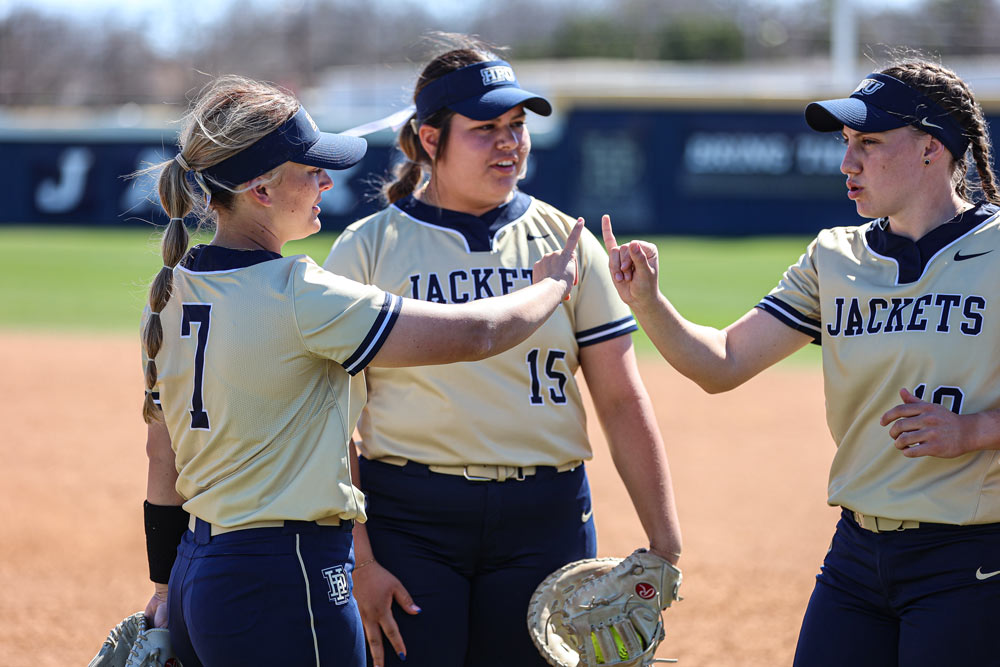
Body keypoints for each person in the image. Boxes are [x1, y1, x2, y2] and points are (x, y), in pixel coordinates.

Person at [137, 74, 583, 667]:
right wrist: (551, 285)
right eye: (310, 169)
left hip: (200, 570)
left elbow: (161, 454)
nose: (326, 180)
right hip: (286, 573)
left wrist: (167, 586)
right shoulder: (297, 292)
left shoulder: (173, 290)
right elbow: (477, 334)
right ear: (261, 190)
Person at [602, 57, 1000, 666]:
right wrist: (649, 304)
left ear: (931, 148)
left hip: (971, 559)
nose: (848, 163)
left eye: (868, 142)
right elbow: (724, 362)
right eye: (846, 143)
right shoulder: (835, 258)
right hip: (856, 557)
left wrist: (976, 430)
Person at [323, 35, 683, 667]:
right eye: (486, 128)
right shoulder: (367, 248)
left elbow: (621, 398)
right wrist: (361, 558)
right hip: (410, 522)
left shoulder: (568, 243)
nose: (510, 142)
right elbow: (331, 423)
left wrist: (665, 544)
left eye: (517, 126)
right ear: (431, 140)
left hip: (545, 522)